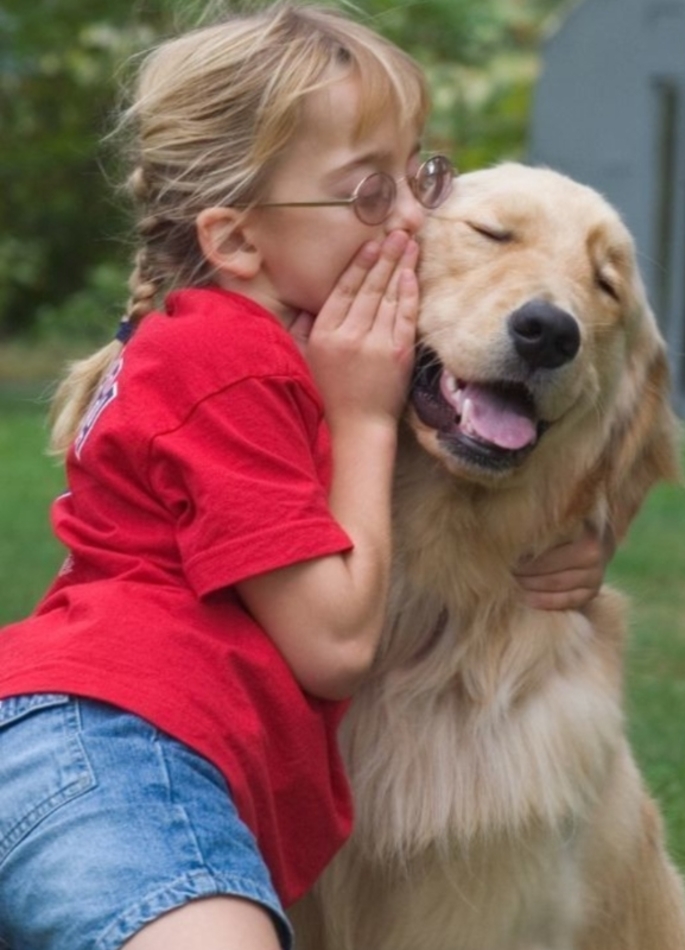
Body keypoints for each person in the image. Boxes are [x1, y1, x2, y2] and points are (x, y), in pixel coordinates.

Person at [0, 4, 612, 949]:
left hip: (89, 741)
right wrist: (365, 414)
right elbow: (330, 643)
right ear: (237, 241)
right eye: (372, 194)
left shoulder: (242, 337)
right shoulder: (234, 363)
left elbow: (496, 457)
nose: (418, 217)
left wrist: (586, 544)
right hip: (124, 750)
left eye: (421, 176)